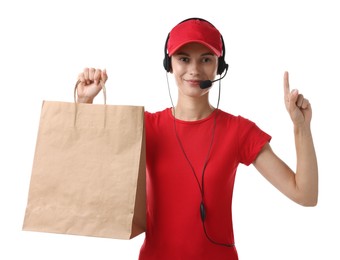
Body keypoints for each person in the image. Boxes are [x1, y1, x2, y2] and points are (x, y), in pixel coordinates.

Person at [76, 18, 318, 260]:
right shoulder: (146, 126)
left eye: (205, 59)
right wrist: (85, 104)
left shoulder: (238, 131)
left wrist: (301, 128)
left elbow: (305, 195)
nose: (194, 69)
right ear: (168, 64)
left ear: (219, 66)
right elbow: (90, 173)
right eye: (183, 58)